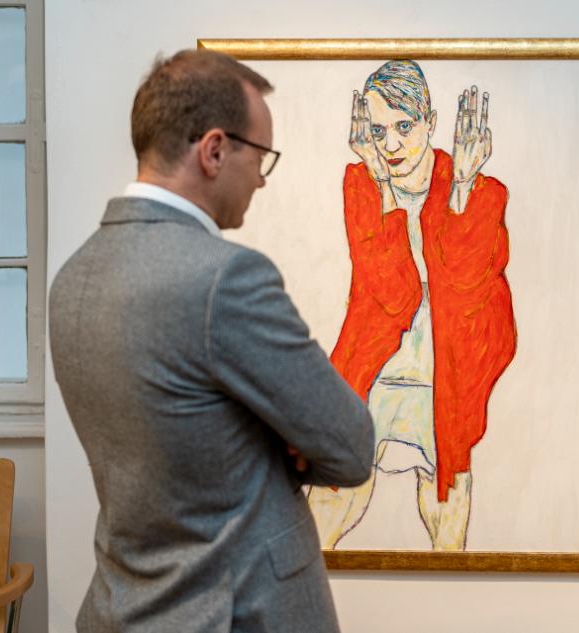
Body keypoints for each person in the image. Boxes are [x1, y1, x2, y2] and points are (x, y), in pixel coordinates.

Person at [49, 49, 374, 633]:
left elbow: (178, 443)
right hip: (237, 613)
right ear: (215, 150)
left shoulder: (73, 278)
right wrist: (283, 435)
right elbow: (349, 446)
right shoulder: (225, 280)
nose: (262, 179)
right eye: (261, 157)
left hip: (121, 611)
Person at [307, 60, 516, 551]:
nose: (392, 145)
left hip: (449, 365)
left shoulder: (481, 190)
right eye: (379, 131)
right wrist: (383, 184)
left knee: (446, 496)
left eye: (404, 127)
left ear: (431, 122)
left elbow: (464, 285)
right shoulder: (361, 183)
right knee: (331, 500)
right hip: (378, 361)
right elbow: (394, 292)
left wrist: (461, 187)